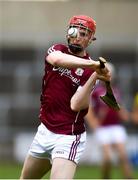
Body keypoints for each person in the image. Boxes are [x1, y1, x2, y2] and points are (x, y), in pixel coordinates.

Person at [20, 15, 110, 179]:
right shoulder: (57, 49)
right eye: (74, 31)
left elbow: (76, 105)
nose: (77, 37)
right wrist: (94, 64)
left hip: (68, 137)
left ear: (91, 39)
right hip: (45, 130)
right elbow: (57, 60)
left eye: (84, 34)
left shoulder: (90, 71)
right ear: (68, 32)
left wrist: (95, 75)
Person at [86, 62, 134, 179]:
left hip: (116, 126)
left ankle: (129, 178)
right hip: (102, 128)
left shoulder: (116, 90)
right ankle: (105, 177)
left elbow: (119, 108)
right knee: (107, 159)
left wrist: (127, 116)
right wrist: (93, 123)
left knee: (123, 156)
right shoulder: (95, 91)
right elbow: (89, 109)